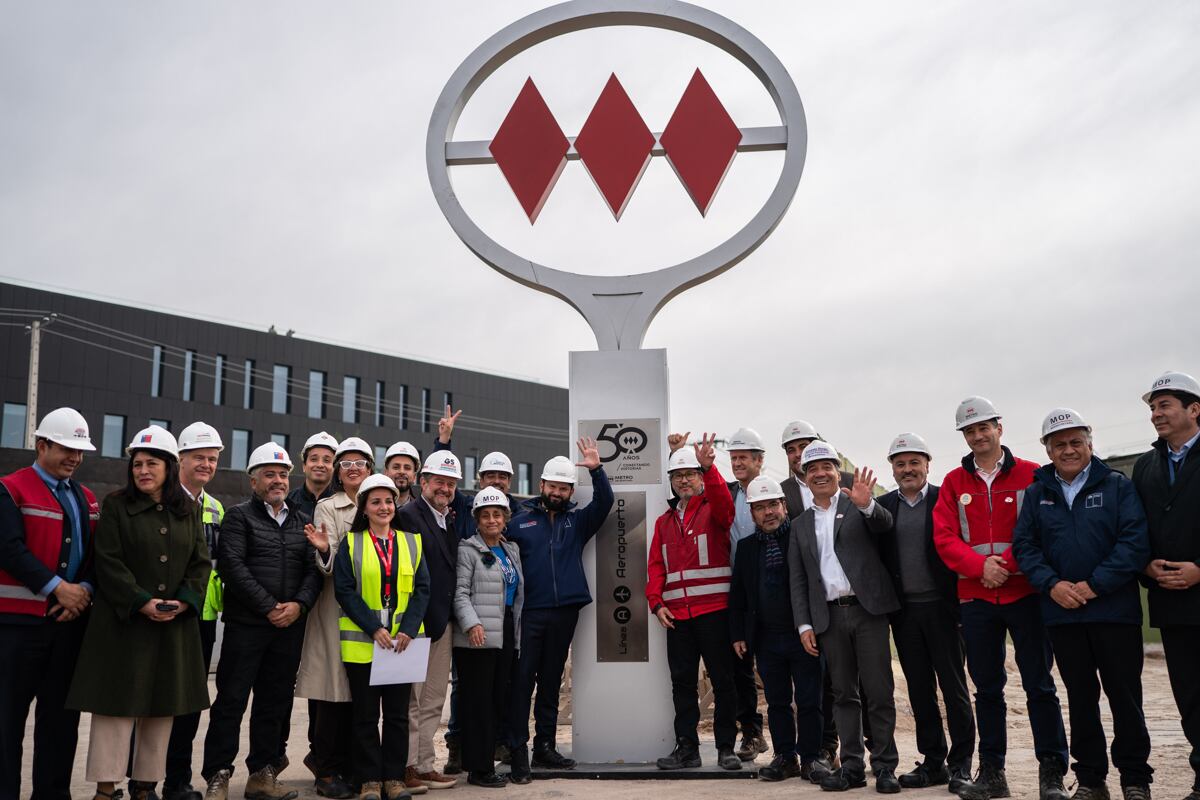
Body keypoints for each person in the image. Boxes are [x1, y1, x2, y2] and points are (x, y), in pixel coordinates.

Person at [933, 397, 1069, 800]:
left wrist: (1004, 566)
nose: (977, 436)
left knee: (1039, 685)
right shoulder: (954, 483)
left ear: (999, 428)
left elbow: (1039, 530)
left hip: (1026, 594)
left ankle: (1052, 773)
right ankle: (992, 773)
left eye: (983, 428)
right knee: (987, 689)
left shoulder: (1032, 475)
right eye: (970, 431)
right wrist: (980, 569)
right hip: (975, 600)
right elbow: (943, 537)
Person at [1013, 409, 1153, 800]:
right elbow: (1026, 547)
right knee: (1080, 698)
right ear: (1048, 449)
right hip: (1063, 616)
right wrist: (1052, 585)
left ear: (1090, 444)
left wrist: (1093, 586)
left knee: (1125, 697)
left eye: (1076, 442)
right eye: (1060, 444)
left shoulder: (1117, 486)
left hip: (1115, 613)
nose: (1069, 450)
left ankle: (1135, 778)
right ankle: (1091, 779)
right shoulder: (1038, 492)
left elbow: (1133, 543)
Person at [66, 425, 211, 800]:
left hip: (172, 626)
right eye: (137, 464)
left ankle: (146, 786)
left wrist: (183, 601)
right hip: (123, 625)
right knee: (114, 709)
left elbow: (200, 563)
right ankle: (106, 787)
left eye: (151, 464)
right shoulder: (116, 504)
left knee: (161, 708)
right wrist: (139, 601)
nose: (143, 471)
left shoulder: (189, 511)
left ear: (169, 466)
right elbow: (108, 561)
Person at [201, 442, 322, 800]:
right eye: (269, 474)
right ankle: (218, 775)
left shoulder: (302, 521)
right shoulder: (239, 517)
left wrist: (298, 605)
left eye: (283, 475)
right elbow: (232, 567)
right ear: (253, 481)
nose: (278, 481)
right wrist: (270, 606)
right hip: (247, 627)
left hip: (288, 629)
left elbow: (313, 571)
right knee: (231, 702)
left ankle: (262, 775)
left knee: (274, 703)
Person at [786, 440, 901, 793]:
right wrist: (804, 624)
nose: (820, 474)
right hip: (829, 618)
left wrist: (868, 506)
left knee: (879, 691)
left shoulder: (857, 504)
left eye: (826, 467)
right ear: (804, 478)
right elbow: (799, 578)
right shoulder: (800, 524)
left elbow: (885, 525)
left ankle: (884, 766)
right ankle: (852, 766)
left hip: (867, 611)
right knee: (843, 695)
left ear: (838, 472)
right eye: (812, 469)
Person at [0, 407, 99, 800]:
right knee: (7, 721)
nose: (74, 458)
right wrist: (58, 587)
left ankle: (53, 793)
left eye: (80, 451)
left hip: (67, 627)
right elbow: (9, 549)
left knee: (61, 723)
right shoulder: (10, 489)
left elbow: (95, 555)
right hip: (17, 630)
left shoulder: (87, 497)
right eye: (66, 449)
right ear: (42, 445)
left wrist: (85, 589)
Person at [505, 438, 613, 782]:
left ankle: (545, 748)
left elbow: (605, 502)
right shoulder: (518, 523)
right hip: (529, 613)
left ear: (569, 491)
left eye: (564, 488)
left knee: (551, 682)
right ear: (542, 486)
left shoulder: (577, 522)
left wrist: (596, 470)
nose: (558, 492)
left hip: (565, 612)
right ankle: (517, 751)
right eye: (553, 486)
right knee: (522, 683)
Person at [876, 433, 974, 792]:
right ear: (893, 468)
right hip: (905, 614)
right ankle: (934, 762)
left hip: (944, 609)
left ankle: (961, 764)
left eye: (914, 462)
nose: (907, 469)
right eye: (900, 464)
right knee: (919, 690)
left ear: (927, 465)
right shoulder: (884, 505)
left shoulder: (944, 499)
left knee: (954, 688)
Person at [646, 435, 741, 772]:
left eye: (690, 474)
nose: (684, 480)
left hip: (714, 614)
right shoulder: (664, 522)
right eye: (678, 475)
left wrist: (710, 466)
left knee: (723, 681)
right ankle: (687, 748)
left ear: (700, 478)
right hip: (678, 619)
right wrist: (656, 603)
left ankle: (726, 748)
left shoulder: (715, 510)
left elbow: (725, 502)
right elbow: (656, 566)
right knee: (682, 684)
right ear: (671, 482)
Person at [334, 474, 430, 800]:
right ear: (364, 508)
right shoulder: (350, 544)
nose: (384, 507)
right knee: (364, 716)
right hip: (365, 644)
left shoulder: (412, 542)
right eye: (375, 502)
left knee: (398, 717)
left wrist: (406, 629)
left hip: (402, 645)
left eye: (388, 501)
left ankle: (393, 778)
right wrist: (372, 627)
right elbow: (345, 591)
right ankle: (369, 781)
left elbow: (422, 590)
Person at [729, 476, 826, 784]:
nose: (767, 512)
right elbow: (739, 596)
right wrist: (738, 633)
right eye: (759, 507)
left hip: (803, 635)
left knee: (811, 699)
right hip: (767, 638)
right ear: (751, 513)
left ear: (784, 505)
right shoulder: (746, 549)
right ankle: (786, 757)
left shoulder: (802, 536)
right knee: (777, 701)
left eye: (772, 504)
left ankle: (812, 758)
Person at [294, 437, 374, 799]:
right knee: (332, 693)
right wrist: (327, 551)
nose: (353, 468)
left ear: (371, 469)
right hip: (334, 610)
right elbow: (330, 562)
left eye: (361, 462)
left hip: (372, 611)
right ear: (339, 473)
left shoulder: (380, 502)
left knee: (362, 695)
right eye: (347, 464)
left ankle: (355, 766)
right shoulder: (328, 507)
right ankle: (326, 770)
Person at [1133, 371, 1200, 800]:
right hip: (1173, 602)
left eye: (1165, 405)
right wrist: (1146, 566)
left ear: (1194, 409)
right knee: (1191, 696)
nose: (1156, 414)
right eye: (1153, 408)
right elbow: (1134, 528)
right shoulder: (1145, 465)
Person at [777, 420, 855, 770]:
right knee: (824, 680)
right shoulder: (782, 493)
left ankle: (870, 754)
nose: (797, 454)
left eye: (804, 446)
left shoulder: (850, 485)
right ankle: (827, 746)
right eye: (791, 450)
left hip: (854, 595)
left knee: (863, 682)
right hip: (811, 598)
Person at [162, 422, 227, 800]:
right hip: (167, 616)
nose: (205, 464)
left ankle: (177, 781)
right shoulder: (164, 499)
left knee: (189, 703)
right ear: (180, 459)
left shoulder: (215, 507)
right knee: (158, 702)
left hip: (201, 620)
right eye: (198, 457)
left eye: (212, 459)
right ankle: (145, 782)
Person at [395, 451, 467, 793]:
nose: (445, 488)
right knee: (411, 700)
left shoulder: (446, 518)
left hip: (441, 621)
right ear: (423, 482)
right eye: (439, 481)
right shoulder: (408, 516)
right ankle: (406, 765)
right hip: (415, 624)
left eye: (451, 484)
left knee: (434, 699)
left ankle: (425, 764)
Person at [453, 487, 524, 788]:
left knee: (496, 701)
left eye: (497, 515)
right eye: (486, 516)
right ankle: (478, 769)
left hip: (505, 629)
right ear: (477, 520)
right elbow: (459, 593)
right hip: (477, 636)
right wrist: (472, 624)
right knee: (478, 703)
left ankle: (485, 763)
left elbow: (516, 593)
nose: (492, 520)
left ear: (505, 518)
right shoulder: (467, 550)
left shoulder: (511, 550)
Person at [723, 427, 770, 762]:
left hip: (770, 591)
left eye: (743, 457)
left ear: (759, 460)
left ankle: (801, 742)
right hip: (737, 592)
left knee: (777, 667)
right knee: (740, 666)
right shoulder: (727, 494)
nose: (738, 463)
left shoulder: (772, 493)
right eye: (734, 458)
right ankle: (752, 732)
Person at [288, 432, 339, 522]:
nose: (320, 465)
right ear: (304, 465)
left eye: (327, 460)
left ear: (335, 467)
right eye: (314, 459)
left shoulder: (344, 503)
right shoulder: (288, 501)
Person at [383, 441, 422, 509]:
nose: (401, 471)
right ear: (386, 473)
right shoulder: (372, 509)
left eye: (407, 468)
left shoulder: (422, 512)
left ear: (414, 476)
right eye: (396, 467)